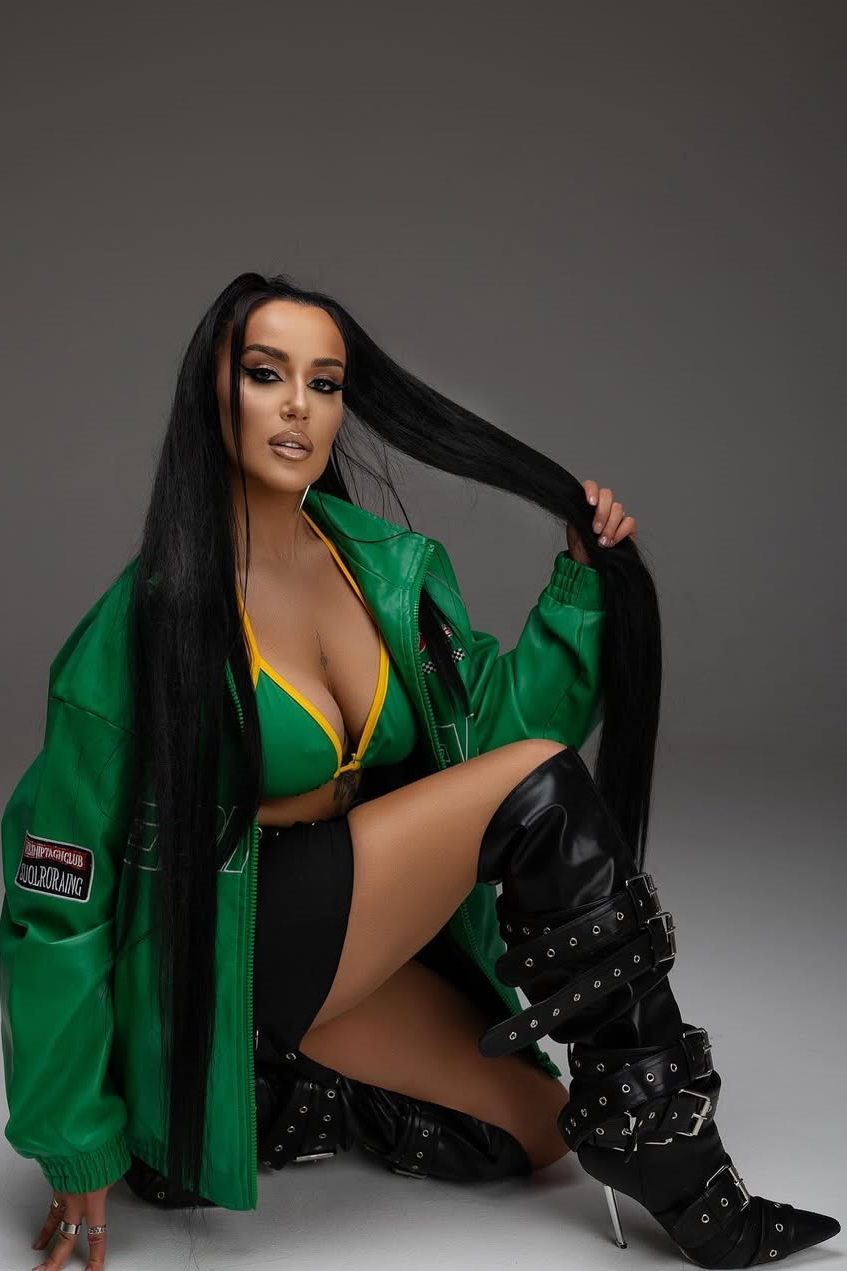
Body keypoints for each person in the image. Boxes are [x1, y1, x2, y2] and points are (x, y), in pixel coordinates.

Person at [0, 272, 838, 1271]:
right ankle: (685, 1168)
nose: (297, 406)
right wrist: (75, 1141)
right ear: (211, 396)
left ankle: (273, 1092)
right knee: (538, 786)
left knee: (534, 1136)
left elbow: (494, 746)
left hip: (344, 927)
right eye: (266, 374)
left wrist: (578, 585)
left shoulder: (386, 569)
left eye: (324, 382)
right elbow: (56, 903)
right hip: (230, 945)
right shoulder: (146, 620)